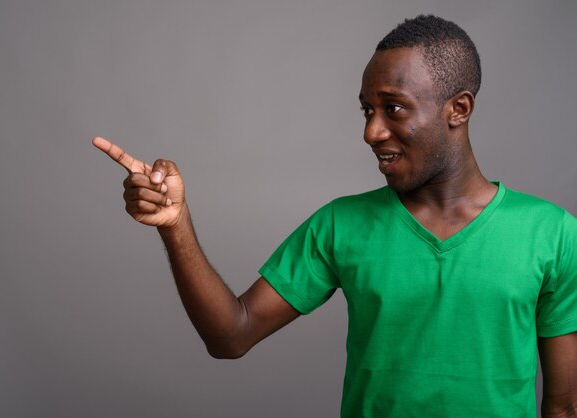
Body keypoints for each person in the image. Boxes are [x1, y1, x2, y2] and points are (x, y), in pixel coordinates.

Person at [93, 14, 577, 418]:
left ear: (459, 108)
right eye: (367, 110)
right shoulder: (340, 225)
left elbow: (563, 406)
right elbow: (231, 335)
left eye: (393, 108)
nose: (371, 131)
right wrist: (177, 226)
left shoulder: (553, 234)